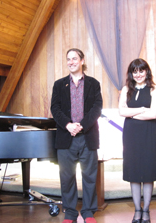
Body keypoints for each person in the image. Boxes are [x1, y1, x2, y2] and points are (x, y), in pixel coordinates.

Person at [51, 48, 103, 223]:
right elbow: (55, 108)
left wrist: (81, 126)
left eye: (74, 58)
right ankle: (70, 213)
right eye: (68, 59)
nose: (71, 62)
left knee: (89, 176)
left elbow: (97, 108)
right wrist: (68, 125)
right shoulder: (59, 84)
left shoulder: (93, 84)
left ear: (82, 61)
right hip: (66, 137)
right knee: (67, 177)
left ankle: (88, 212)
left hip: (88, 135)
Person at [119, 58, 156, 223]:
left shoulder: (154, 89)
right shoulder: (125, 89)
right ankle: (137, 210)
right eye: (135, 71)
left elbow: (153, 114)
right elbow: (121, 112)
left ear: (147, 71)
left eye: (141, 71)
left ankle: (146, 210)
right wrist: (143, 109)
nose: (138, 74)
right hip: (131, 135)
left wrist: (132, 113)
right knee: (134, 173)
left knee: (148, 172)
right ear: (131, 73)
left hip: (149, 133)